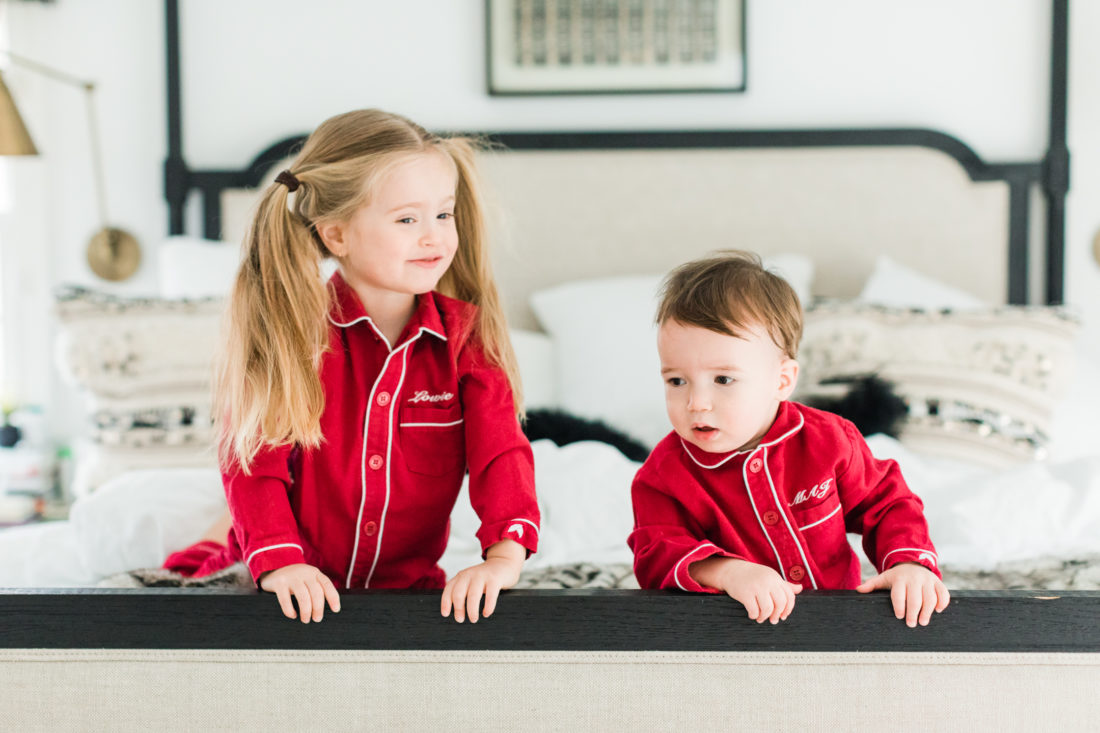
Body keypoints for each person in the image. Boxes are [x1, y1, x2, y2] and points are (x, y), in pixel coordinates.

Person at [163, 109, 539, 625]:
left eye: (444, 215)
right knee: (186, 578)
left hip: (407, 590)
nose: (434, 237)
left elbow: (502, 456)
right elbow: (254, 465)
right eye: (408, 219)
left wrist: (502, 559)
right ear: (337, 236)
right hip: (280, 579)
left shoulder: (467, 340)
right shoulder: (290, 335)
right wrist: (280, 563)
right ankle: (215, 539)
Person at [628, 251, 950, 626]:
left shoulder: (829, 439)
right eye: (677, 381)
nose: (697, 404)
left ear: (782, 380)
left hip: (842, 627)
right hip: (729, 636)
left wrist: (909, 564)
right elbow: (656, 551)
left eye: (723, 380)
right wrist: (727, 572)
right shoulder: (664, 475)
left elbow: (887, 503)